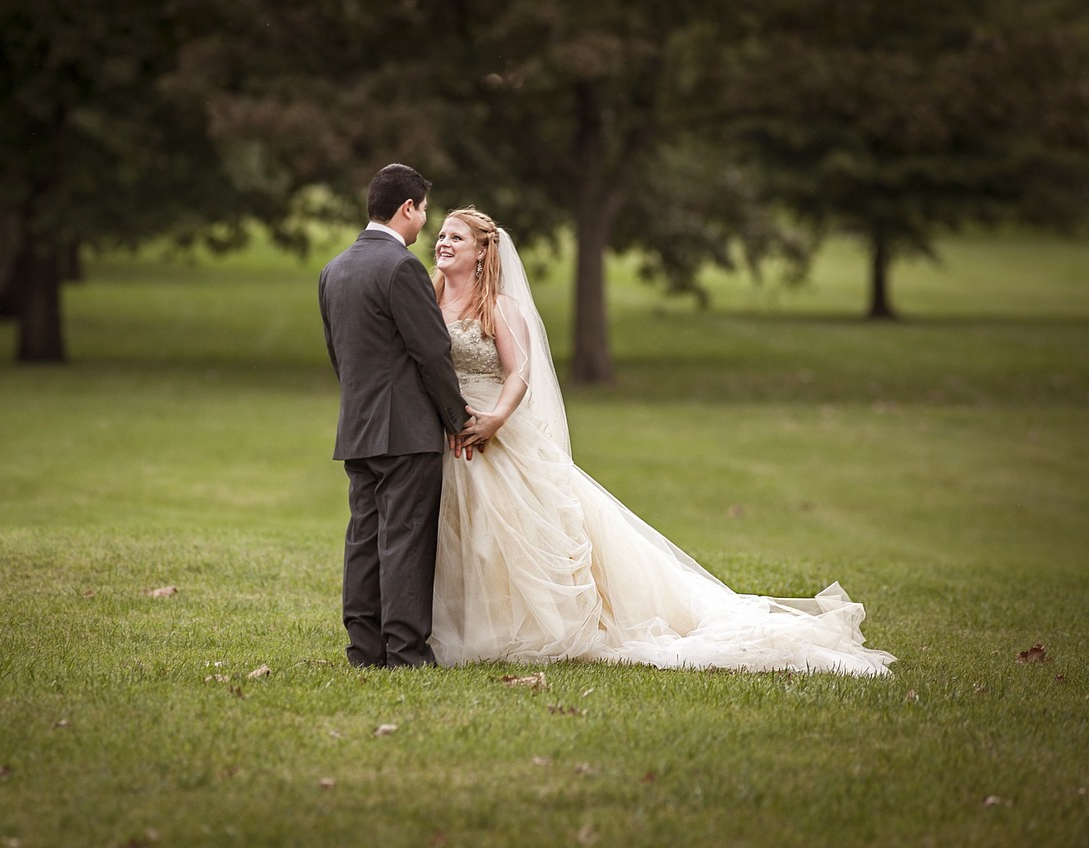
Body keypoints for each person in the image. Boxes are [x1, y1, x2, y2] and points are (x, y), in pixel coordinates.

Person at [430, 207, 895, 675]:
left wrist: (496, 419)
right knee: (462, 530)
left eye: (456, 237)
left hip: (498, 432)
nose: (443, 242)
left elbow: (519, 373)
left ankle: (524, 624)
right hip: (443, 432)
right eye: (442, 234)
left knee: (514, 529)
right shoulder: (427, 296)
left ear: (483, 252)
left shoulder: (500, 308)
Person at [318, 165, 475, 668]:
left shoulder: (334, 269)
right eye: (425, 210)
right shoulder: (401, 268)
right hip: (406, 430)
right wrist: (458, 418)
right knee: (406, 538)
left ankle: (364, 649)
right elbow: (431, 351)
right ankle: (406, 652)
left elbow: (339, 354)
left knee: (364, 538)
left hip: (357, 427)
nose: (426, 222)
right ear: (407, 207)